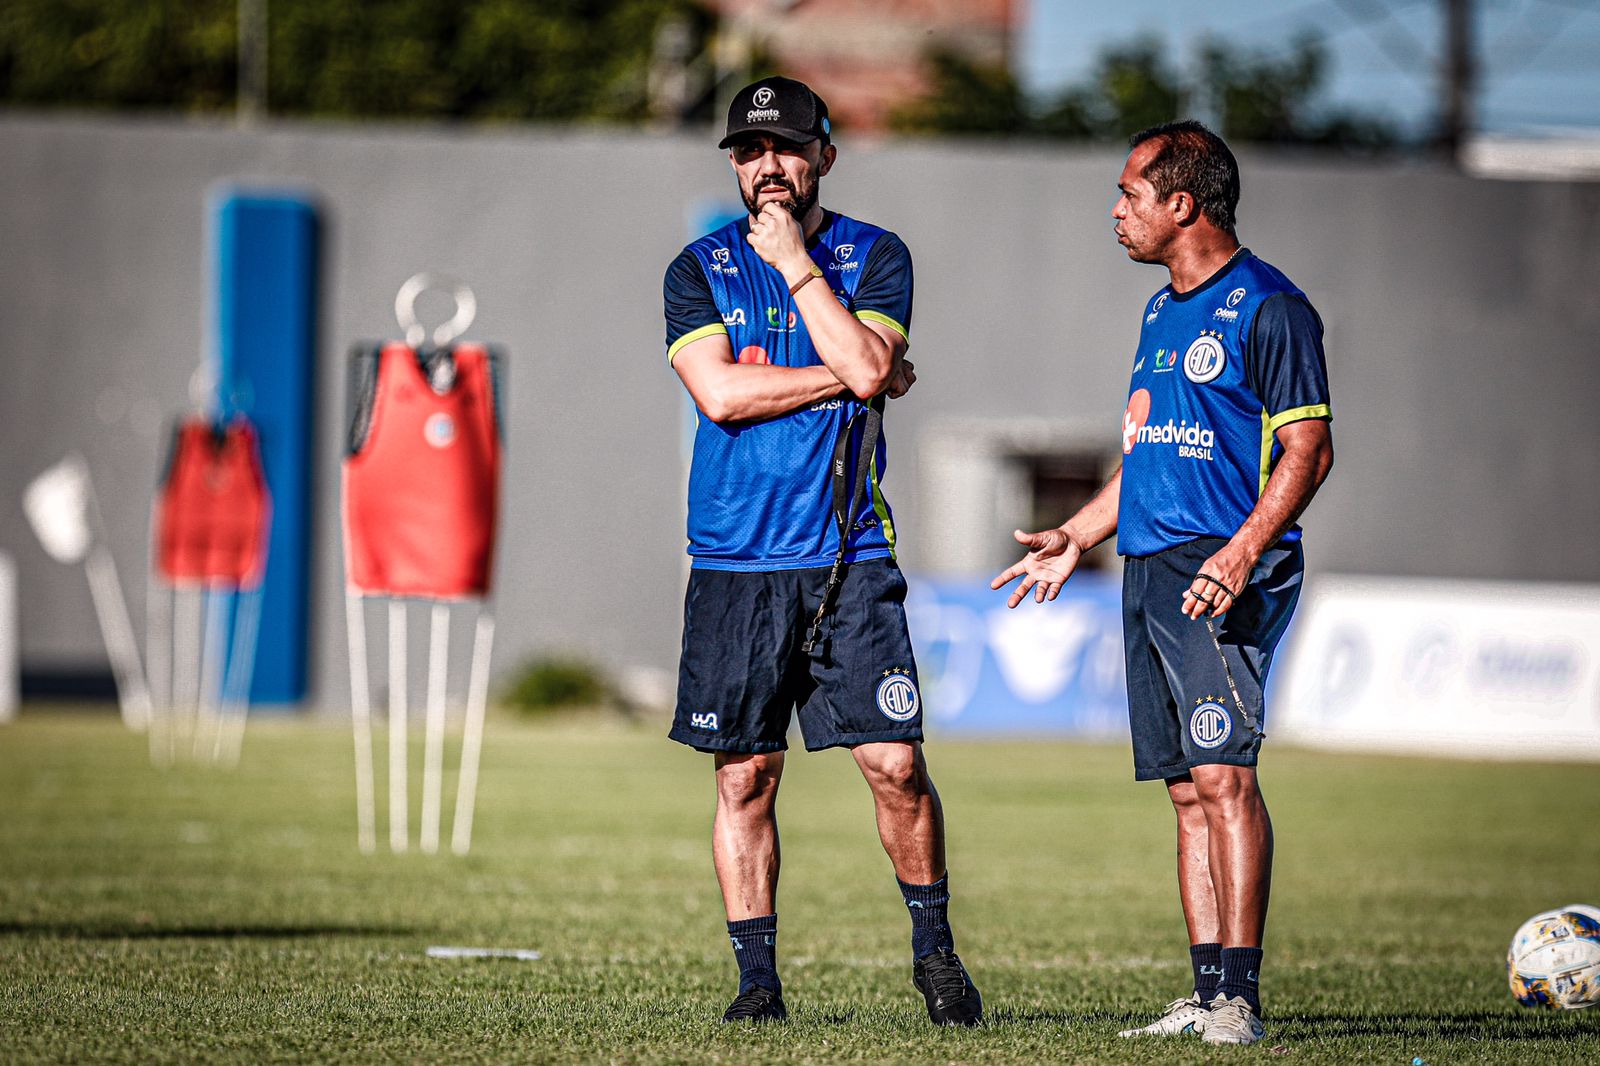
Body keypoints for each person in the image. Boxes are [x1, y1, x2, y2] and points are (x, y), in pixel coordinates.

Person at [992, 121, 1334, 1047]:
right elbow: (1146, 456)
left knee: (1225, 777)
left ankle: (1242, 1004)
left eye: (1130, 194)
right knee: (1187, 789)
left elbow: (1309, 450)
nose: (1117, 211)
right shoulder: (1159, 312)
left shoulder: (1270, 308)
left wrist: (1241, 552)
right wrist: (1076, 533)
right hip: (1148, 569)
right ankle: (1206, 990)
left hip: (1218, 573)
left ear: (1183, 204)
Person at [661, 76, 983, 1027]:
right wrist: (845, 374)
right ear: (732, 161)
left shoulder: (876, 256)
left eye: (790, 150)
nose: (770, 167)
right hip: (731, 561)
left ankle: (936, 955)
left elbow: (873, 366)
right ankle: (757, 983)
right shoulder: (696, 268)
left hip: (849, 557)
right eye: (752, 151)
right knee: (745, 776)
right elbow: (719, 397)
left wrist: (801, 272)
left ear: (824, 159)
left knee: (895, 765)